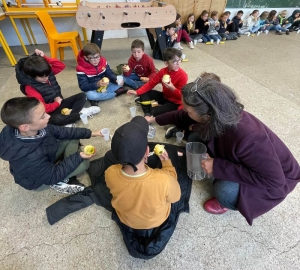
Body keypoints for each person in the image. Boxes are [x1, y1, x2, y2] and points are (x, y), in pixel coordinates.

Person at [146, 75, 300, 225]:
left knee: (224, 191)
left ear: (207, 115)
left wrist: (218, 166)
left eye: (189, 110)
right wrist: (153, 119)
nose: (185, 112)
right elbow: (181, 116)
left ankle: (228, 202)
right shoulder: (216, 113)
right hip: (246, 160)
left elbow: (274, 181)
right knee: (194, 139)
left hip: (277, 180)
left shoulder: (248, 137)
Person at [105, 116, 182, 258]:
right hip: (157, 221)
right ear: (147, 151)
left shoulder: (110, 173)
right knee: (172, 158)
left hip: (127, 220)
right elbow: (175, 197)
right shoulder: (164, 179)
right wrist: (167, 165)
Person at [0, 97, 105, 194]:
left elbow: (61, 131)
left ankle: (63, 166)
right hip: (39, 180)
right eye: (43, 116)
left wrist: (92, 133)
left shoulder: (27, 128)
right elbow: (54, 175)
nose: (48, 116)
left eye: (45, 113)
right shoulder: (29, 159)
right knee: (84, 164)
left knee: (72, 136)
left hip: (46, 156)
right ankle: (59, 182)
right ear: (25, 127)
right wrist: (79, 156)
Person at [15, 49, 100, 127]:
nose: (46, 78)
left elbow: (60, 65)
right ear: (32, 76)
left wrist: (44, 57)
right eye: (42, 77)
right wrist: (57, 103)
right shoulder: (30, 88)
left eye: (48, 75)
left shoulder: (45, 72)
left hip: (59, 102)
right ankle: (79, 114)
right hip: (49, 111)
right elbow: (41, 108)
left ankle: (70, 117)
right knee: (55, 120)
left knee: (82, 96)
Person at [145, 72, 221, 139]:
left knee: (193, 138)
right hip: (200, 121)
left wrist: (194, 128)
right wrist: (153, 119)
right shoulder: (198, 109)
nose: (184, 109)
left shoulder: (222, 127)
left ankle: (184, 131)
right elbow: (176, 115)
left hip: (207, 131)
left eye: (188, 110)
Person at [127, 48, 188, 117]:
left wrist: (172, 88)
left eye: (179, 60)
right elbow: (151, 83)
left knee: (156, 111)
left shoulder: (183, 76)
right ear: (166, 63)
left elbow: (182, 97)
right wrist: (137, 92)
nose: (178, 63)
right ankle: (147, 112)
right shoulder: (162, 71)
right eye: (174, 61)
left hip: (174, 103)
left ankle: (149, 108)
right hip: (164, 96)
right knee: (143, 91)